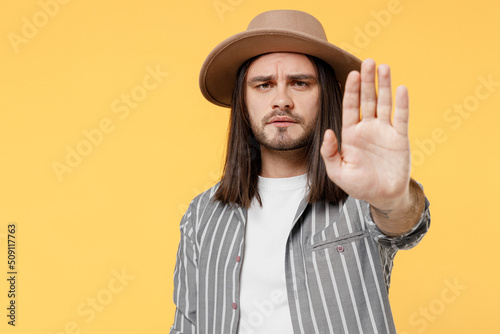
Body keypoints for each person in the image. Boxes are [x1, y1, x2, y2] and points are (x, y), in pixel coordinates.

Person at [170, 9, 430, 334]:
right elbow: (187, 326)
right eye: (264, 85)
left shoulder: (363, 197)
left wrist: (393, 198)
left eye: (300, 83)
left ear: (326, 96)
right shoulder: (202, 214)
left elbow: (405, 226)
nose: (282, 100)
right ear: (243, 100)